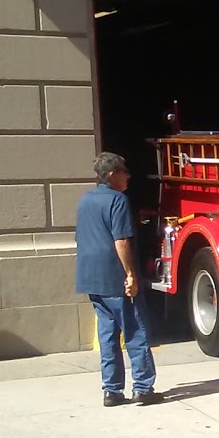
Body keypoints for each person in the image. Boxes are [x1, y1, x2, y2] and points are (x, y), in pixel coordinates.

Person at [75, 152, 161, 407]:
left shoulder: (85, 200)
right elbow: (121, 240)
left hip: (91, 275)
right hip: (115, 275)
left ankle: (111, 390)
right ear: (113, 175)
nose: (128, 175)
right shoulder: (118, 200)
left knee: (108, 335)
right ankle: (143, 387)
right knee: (135, 331)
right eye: (124, 171)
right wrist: (131, 274)